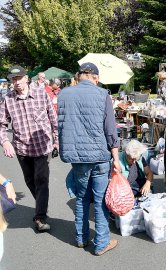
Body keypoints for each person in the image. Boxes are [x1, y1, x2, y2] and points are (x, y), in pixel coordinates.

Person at [58, 62, 120, 256]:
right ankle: (101, 243)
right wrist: (116, 158)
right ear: (96, 78)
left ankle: (81, 237)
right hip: (100, 155)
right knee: (100, 200)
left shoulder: (64, 94)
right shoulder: (102, 95)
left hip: (77, 156)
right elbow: (110, 130)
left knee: (82, 197)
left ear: (78, 76)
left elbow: (61, 125)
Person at [0, 65, 58, 231]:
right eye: (13, 79)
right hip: (22, 149)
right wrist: (4, 141)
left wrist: (56, 142)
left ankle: (40, 217)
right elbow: (1, 124)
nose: (16, 82)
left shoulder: (41, 94)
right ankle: (42, 204)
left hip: (42, 147)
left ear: (26, 78)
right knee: (30, 180)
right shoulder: (8, 100)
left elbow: (53, 120)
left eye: (19, 78)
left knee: (42, 181)